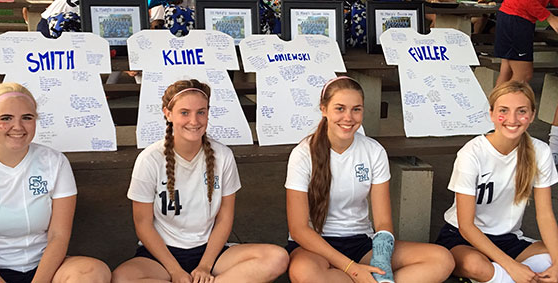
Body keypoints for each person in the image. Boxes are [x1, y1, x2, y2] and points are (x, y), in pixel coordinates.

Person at [112, 79, 289, 283]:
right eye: (184, 112)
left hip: (210, 252)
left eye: (201, 112)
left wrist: (205, 266)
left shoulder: (222, 156)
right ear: (168, 114)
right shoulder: (150, 159)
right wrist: (175, 271)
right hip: (161, 256)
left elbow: (224, 218)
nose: (194, 121)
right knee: (120, 278)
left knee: (276, 258)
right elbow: (142, 223)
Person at [285, 76, 455, 283]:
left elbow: (383, 222)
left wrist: (381, 262)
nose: (348, 117)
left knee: (441, 259)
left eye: (356, 109)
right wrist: (352, 269)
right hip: (314, 246)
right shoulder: (303, 154)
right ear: (324, 109)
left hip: (360, 242)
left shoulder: (373, 151)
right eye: (340, 108)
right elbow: (299, 229)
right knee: (304, 273)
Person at [0, 82, 111, 283]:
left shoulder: (54, 162)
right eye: (6, 118)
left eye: (27, 118)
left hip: (42, 267)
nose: (18, 127)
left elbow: (58, 236)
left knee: (93, 271)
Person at [435, 81, 558, 283]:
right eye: (504, 110)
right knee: (476, 265)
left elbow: (545, 214)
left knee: (550, 259)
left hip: (507, 238)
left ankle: (501, 276)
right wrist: (512, 266)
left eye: (521, 111)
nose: (512, 119)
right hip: (463, 238)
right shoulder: (472, 153)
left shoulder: (540, 151)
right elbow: (466, 226)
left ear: (532, 115)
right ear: (491, 114)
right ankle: (506, 275)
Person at [495, 0, 558, 85]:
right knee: (523, 76)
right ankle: (508, 98)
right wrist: (550, 17)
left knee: (507, 72)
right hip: (517, 19)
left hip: (512, 16)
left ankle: (496, 98)